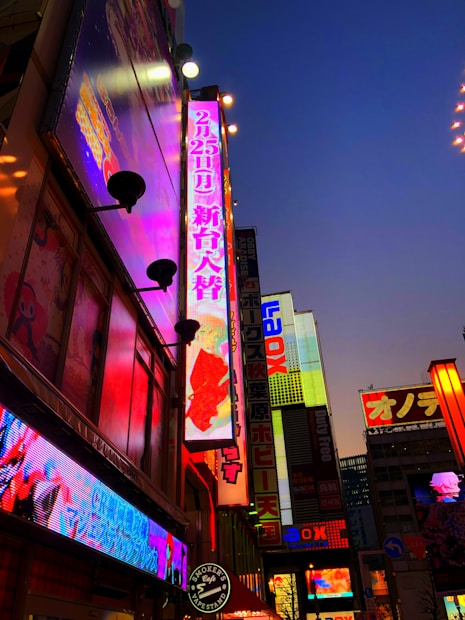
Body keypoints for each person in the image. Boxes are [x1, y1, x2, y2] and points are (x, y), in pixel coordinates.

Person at [185, 315, 230, 433]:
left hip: (204, 412)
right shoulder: (190, 354)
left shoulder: (217, 361)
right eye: (214, 336)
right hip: (195, 413)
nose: (215, 341)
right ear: (202, 333)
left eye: (218, 338)